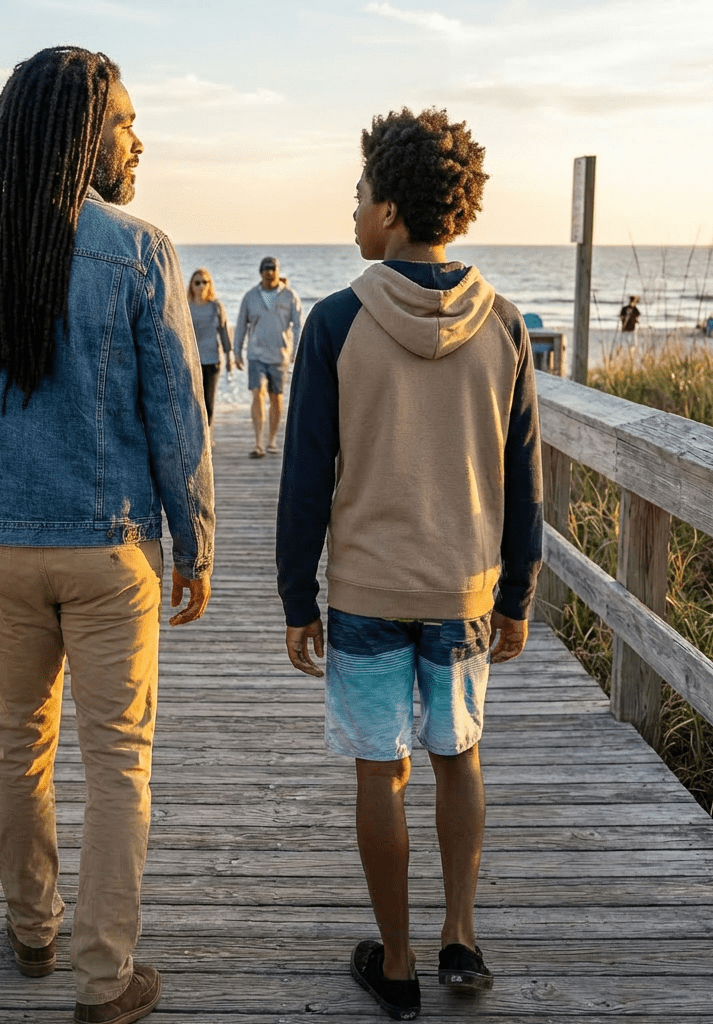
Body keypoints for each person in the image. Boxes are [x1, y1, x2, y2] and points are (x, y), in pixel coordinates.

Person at [0, 47, 214, 1024]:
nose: (137, 137)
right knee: (118, 757)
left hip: (1, 550)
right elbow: (177, 417)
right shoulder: (139, 251)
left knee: (17, 748)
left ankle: (33, 932)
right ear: (85, 137)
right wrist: (195, 543)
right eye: (123, 120)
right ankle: (104, 978)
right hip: (110, 550)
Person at [276, 107, 543, 1021]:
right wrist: (519, 591)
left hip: (365, 590)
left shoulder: (337, 322)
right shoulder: (504, 324)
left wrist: (293, 597)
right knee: (459, 758)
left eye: (357, 195)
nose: (350, 212)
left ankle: (395, 962)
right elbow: (524, 476)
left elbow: (307, 477)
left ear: (388, 210)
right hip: (464, 586)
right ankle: (459, 938)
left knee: (377, 771)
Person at [233, 256, 301, 458]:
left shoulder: (289, 295)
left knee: (276, 398)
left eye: (273, 269)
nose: (269, 272)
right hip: (256, 354)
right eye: (266, 269)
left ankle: (272, 440)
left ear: (278, 271)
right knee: (257, 393)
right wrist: (237, 352)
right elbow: (240, 326)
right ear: (260, 272)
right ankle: (258, 443)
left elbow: (297, 326)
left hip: (280, 355)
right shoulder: (250, 296)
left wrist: (296, 351)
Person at [187, 268, 232, 431]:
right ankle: (195, 434)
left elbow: (224, 331)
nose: (201, 286)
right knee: (192, 401)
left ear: (210, 284)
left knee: (208, 401)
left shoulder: (216, 306)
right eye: (197, 282)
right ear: (192, 285)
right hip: (191, 361)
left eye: (204, 282)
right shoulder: (185, 307)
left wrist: (229, 357)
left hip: (212, 360)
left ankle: (207, 434)